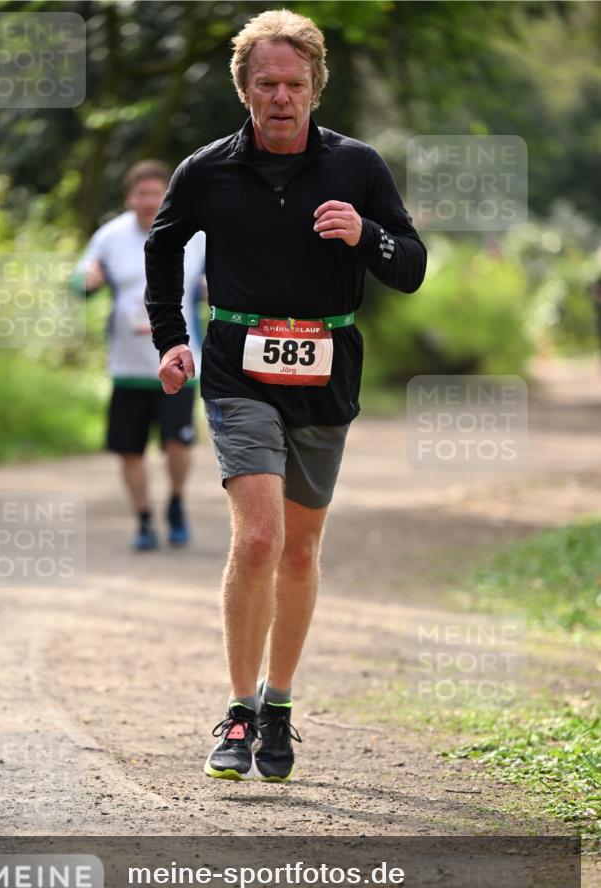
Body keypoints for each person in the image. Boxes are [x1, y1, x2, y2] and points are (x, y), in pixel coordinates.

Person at [145, 10, 426, 780]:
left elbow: (410, 264)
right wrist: (172, 336)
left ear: (314, 88)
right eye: (265, 83)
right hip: (238, 370)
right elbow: (164, 244)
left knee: (300, 549)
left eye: (293, 84)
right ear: (243, 88)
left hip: (326, 372)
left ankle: (278, 706)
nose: (280, 97)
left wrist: (365, 235)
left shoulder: (356, 166)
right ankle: (236, 714)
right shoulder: (205, 170)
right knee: (261, 537)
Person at [74, 160, 205, 550]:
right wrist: (87, 281)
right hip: (128, 367)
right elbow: (82, 277)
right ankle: (145, 520)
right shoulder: (110, 236)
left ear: (168, 195)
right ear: (129, 197)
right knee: (130, 451)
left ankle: (177, 503)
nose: (149, 201)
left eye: (156, 193)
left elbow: (218, 279)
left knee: (177, 445)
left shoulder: (194, 234)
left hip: (181, 363)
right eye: (141, 193)